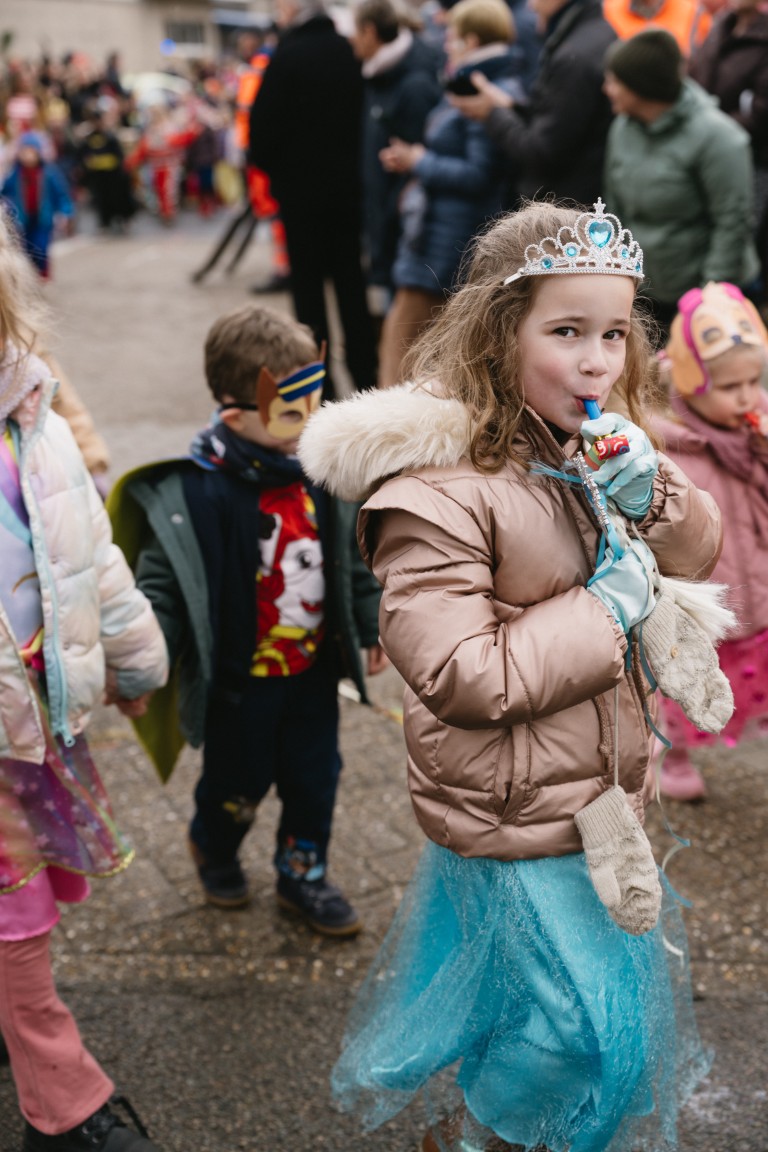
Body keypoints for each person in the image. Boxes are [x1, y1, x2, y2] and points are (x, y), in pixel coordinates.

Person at [298, 200, 718, 1152]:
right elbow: (461, 674)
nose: (597, 361)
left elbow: (699, 554)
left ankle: (489, 1132)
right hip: (513, 810)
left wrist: (654, 495)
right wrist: (606, 607)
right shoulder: (436, 493)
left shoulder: (593, 447)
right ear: (499, 334)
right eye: (566, 332)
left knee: (582, 1021)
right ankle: (478, 1128)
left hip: (599, 798)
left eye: (614, 333)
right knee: (576, 1032)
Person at [107, 304, 386, 937]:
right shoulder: (196, 495)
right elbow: (163, 589)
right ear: (236, 416)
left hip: (312, 674)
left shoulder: (320, 473)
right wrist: (142, 657)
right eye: (292, 413)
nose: (309, 423)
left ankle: (303, 875)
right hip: (239, 684)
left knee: (315, 779)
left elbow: (354, 556)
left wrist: (369, 624)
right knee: (237, 785)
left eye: (315, 404)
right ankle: (214, 843)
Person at [0, 210, 168, 1149]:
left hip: (34, 722)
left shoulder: (33, 416)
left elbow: (88, 555)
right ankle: (61, 1106)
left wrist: (134, 656)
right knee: (15, 911)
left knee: (21, 900)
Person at [649, 281, 768, 800]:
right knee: (688, 683)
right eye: (729, 387)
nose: (746, 397)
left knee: (755, 670)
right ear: (691, 383)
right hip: (707, 598)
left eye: (753, 382)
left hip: (758, 583)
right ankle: (671, 757)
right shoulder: (672, 445)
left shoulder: (755, 429)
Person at [376, 0, 524, 387]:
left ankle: (389, 419)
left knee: (403, 342)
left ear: (470, 40)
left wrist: (419, 160)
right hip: (442, 230)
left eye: (452, 36)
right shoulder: (482, 81)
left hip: (448, 235)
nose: (445, 43)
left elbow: (479, 174)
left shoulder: (479, 88)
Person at [248, 0, 378, 399]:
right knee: (352, 287)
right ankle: (366, 378)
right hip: (349, 195)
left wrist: (285, 174)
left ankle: (319, 389)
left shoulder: (285, 58)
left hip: (300, 199)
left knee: (308, 296)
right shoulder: (348, 52)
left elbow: (259, 138)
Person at [603, 29, 760, 340]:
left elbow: (732, 222)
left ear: (642, 87)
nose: (606, 89)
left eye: (614, 82)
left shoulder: (719, 139)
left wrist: (706, 301)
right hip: (644, 292)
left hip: (699, 298)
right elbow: (614, 208)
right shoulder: (623, 127)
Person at [447, 0, 616, 207]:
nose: (531, 6)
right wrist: (510, 107)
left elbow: (543, 152)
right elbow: (557, 120)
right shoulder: (590, 36)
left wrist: (492, 112)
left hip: (565, 207)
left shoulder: (575, 56)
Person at [351, 0, 442, 325]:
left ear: (370, 31)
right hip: (388, 222)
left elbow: (414, 164)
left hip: (402, 230)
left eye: (355, 32)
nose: (351, 41)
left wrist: (389, 216)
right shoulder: (381, 73)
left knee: (406, 328)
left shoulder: (412, 81)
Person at [688, 0, 768, 297]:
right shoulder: (721, 26)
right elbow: (695, 80)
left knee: (738, 234)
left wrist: (710, 131)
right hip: (702, 149)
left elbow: (760, 113)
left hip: (749, 159)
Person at [0, 131, 73, 278]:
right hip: (22, 219)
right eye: (24, 152)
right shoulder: (15, 174)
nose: (28, 156)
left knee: (41, 247)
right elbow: (4, 192)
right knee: (25, 248)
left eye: (31, 152)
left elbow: (61, 195)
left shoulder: (49, 173)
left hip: (43, 219)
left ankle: (42, 273)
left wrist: (65, 212)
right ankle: (29, 276)